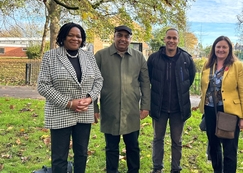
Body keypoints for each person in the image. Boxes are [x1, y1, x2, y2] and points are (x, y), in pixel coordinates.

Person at [37, 22, 103, 173]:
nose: (75, 39)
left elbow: (99, 80)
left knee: (81, 153)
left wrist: (90, 98)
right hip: (60, 112)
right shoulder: (50, 56)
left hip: (84, 111)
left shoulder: (88, 57)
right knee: (59, 156)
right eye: (71, 35)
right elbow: (43, 86)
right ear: (63, 37)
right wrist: (68, 103)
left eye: (78, 36)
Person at [94, 25, 150, 173]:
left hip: (131, 111)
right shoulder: (100, 56)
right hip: (109, 109)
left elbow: (145, 83)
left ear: (130, 39)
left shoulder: (139, 57)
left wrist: (145, 106)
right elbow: (92, 83)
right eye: (120, 35)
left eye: (127, 36)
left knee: (133, 146)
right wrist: (94, 107)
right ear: (114, 36)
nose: (123, 39)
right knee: (111, 147)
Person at [147, 28, 196, 173]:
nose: (171, 41)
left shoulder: (186, 59)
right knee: (157, 139)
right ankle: (157, 168)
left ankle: (176, 168)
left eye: (174, 38)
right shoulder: (154, 58)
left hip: (178, 108)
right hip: (159, 107)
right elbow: (149, 78)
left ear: (178, 40)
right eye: (169, 38)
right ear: (164, 39)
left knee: (177, 141)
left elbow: (190, 79)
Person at [198, 35, 243, 173]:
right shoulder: (208, 65)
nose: (221, 49)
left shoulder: (237, 66)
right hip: (209, 111)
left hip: (229, 112)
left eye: (224, 47)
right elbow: (204, 87)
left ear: (229, 49)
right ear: (214, 48)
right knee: (214, 147)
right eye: (218, 47)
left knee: (229, 148)